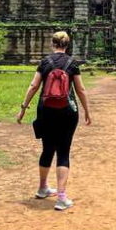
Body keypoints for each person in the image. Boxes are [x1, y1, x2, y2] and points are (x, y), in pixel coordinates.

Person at [16, 31, 91, 211]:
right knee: (63, 151)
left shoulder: (45, 62)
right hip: (67, 111)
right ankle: (61, 197)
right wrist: (87, 111)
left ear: (53, 44)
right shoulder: (72, 63)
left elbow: (34, 86)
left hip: (45, 110)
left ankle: (42, 188)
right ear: (67, 45)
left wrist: (23, 108)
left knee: (47, 148)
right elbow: (80, 89)